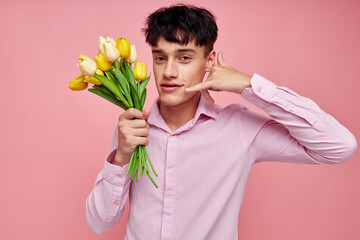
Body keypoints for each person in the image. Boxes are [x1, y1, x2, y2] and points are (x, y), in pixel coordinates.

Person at [86, 4, 357, 240]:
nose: (168, 72)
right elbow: (98, 223)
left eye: (184, 58)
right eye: (160, 58)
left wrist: (249, 85)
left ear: (209, 61)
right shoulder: (133, 129)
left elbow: (339, 146)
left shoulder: (238, 128)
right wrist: (121, 156)